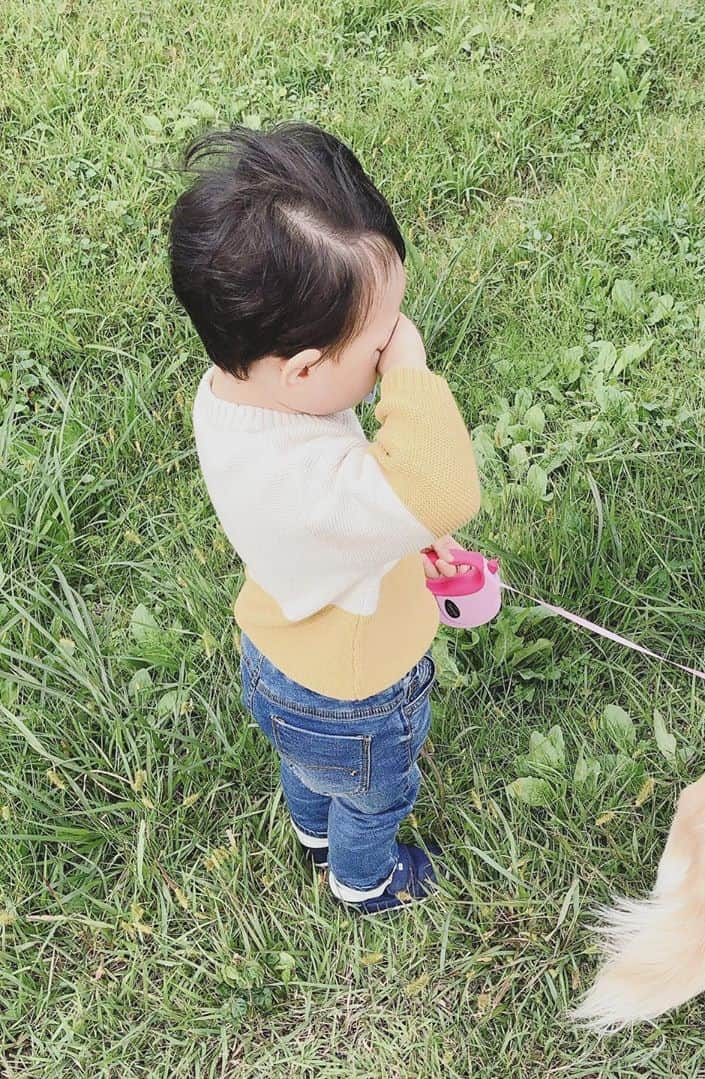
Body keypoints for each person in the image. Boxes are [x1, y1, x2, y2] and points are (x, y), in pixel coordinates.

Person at [170, 122, 480, 914]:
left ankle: (312, 832)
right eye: (380, 340)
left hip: (272, 656)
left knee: (308, 766)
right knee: (376, 793)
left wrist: (404, 534)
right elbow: (442, 488)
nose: (393, 347)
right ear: (303, 369)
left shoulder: (227, 396)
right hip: (356, 693)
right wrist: (410, 371)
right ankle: (363, 879)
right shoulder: (322, 487)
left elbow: (384, 506)